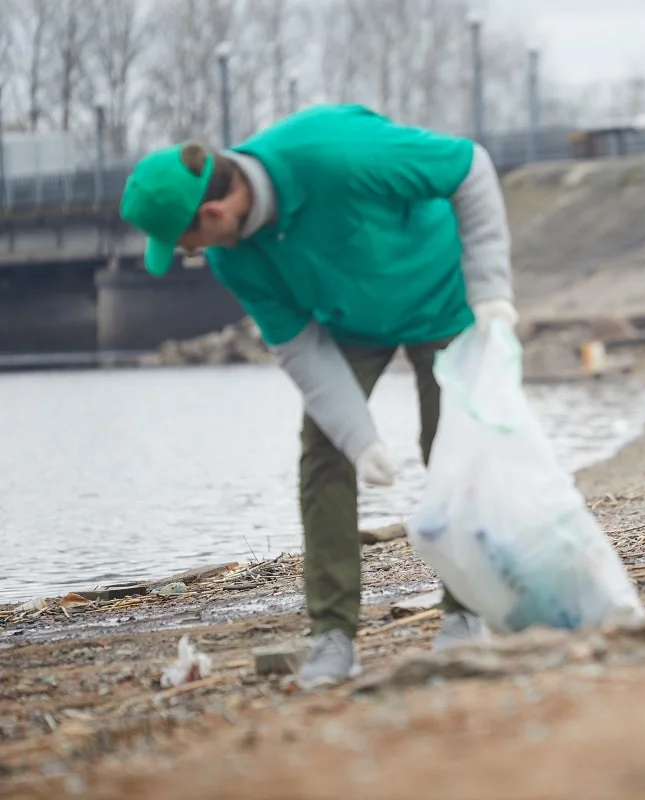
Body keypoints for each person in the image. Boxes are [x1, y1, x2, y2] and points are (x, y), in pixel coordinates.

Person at [118, 103, 518, 688]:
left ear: (214, 211)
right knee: (326, 450)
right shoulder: (235, 257)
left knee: (453, 447)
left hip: (444, 297)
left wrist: (490, 288)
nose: (191, 254)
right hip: (350, 324)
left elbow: (470, 168)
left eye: (187, 241)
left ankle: (463, 613)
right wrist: (360, 438)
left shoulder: (337, 153)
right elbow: (301, 349)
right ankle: (334, 634)